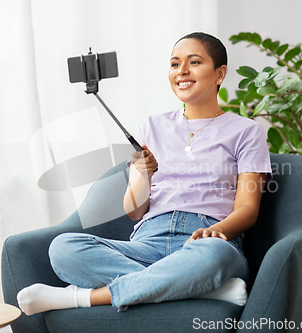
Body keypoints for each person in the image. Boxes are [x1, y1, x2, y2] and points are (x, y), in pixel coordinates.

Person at [17, 32, 272, 315]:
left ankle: (81, 298)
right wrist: (142, 174)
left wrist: (216, 232)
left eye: (194, 62)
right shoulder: (151, 126)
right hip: (147, 242)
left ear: (219, 73)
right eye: (175, 64)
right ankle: (201, 288)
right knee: (64, 248)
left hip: (206, 242)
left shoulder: (247, 131)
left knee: (217, 256)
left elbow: (248, 209)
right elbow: (134, 212)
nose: (182, 71)